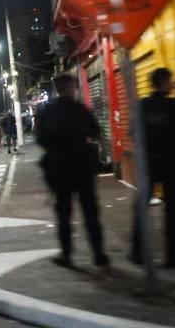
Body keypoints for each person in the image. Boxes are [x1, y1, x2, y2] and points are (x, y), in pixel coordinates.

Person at [37, 74, 109, 267]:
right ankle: (98, 254)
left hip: (59, 169)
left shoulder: (48, 112)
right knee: (90, 212)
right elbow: (95, 131)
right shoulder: (80, 110)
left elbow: (41, 140)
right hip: (82, 167)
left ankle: (66, 255)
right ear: (71, 88)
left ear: (56, 89)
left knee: (63, 214)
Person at [131, 68, 175, 268]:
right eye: (170, 81)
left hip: (149, 163)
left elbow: (134, 132)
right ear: (165, 83)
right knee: (171, 211)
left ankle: (136, 251)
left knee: (141, 209)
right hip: (172, 164)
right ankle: (171, 255)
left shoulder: (143, 106)